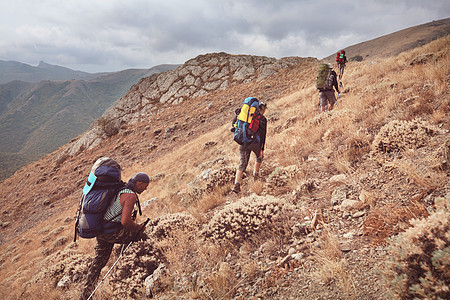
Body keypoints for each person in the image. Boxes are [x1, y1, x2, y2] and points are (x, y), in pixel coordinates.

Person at [79, 172, 150, 300]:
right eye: (145, 186)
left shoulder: (121, 190)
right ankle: (137, 270)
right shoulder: (130, 195)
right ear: (139, 183)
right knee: (142, 237)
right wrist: (138, 227)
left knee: (97, 264)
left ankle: (85, 295)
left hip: (102, 231)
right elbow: (125, 222)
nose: (146, 189)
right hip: (112, 232)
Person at [232, 101, 267, 193]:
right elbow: (263, 135)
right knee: (259, 157)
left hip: (242, 142)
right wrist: (262, 149)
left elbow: (234, 125)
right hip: (254, 142)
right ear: (262, 110)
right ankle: (256, 175)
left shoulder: (244, 116)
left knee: (243, 163)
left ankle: (236, 184)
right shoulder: (262, 119)